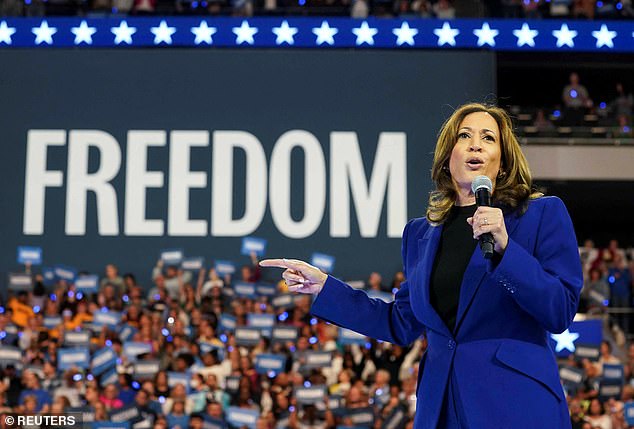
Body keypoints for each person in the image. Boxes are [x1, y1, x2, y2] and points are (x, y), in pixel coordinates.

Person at [260, 102, 583, 429]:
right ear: (448, 158)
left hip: (517, 405)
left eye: (488, 138)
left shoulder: (540, 215)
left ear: (502, 162)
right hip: (441, 408)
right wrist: (325, 286)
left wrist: (505, 249)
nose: (475, 144)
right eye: (465, 136)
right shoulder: (419, 234)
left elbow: (559, 311)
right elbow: (400, 323)